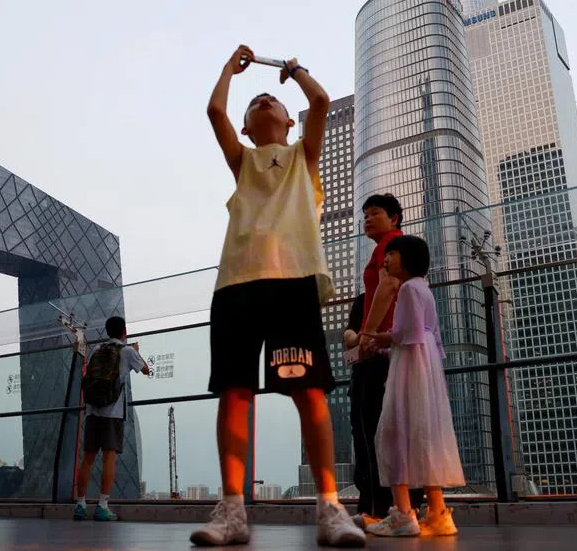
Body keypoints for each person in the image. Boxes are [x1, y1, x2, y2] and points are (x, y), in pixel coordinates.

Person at [191, 45, 364, 547]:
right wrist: (229, 68)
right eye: (254, 103)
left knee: (309, 391)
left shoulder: (302, 158)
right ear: (246, 128)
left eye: (272, 100)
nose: (263, 100)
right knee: (235, 392)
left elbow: (323, 100)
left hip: (294, 282)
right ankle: (232, 509)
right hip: (237, 284)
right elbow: (214, 111)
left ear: (290, 121)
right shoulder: (242, 160)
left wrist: (295, 71)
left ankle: (330, 507)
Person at [363, 235, 463, 537]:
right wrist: (387, 346)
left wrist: (369, 337)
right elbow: (420, 334)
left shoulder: (406, 288)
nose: (386, 260)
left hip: (410, 368)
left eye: (392, 255)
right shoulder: (424, 289)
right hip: (425, 362)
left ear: (407, 259)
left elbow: (401, 333)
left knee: (393, 432)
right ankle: (438, 513)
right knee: (424, 434)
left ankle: (404, 514)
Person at [342, 193, 422, 528]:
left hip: (382, 352)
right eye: (365, 215)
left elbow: (388, 286)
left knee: (375, 429)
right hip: (385, 350)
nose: (368, 219)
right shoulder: (384, 250)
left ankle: (381, 509)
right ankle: (384, 506)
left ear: (395, 218)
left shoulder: (393, 245)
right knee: (380, 429)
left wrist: (368, 336)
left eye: (375, 213)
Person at [73, 315, 150, 521]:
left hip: (91, 411)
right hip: (112, 412)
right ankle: (102, 505)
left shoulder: (98, 351)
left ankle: (80, 505)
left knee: (87, 459)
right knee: (109, 458)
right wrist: (136, 351)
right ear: (124, 331)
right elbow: (146, 370)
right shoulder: (127, 351)